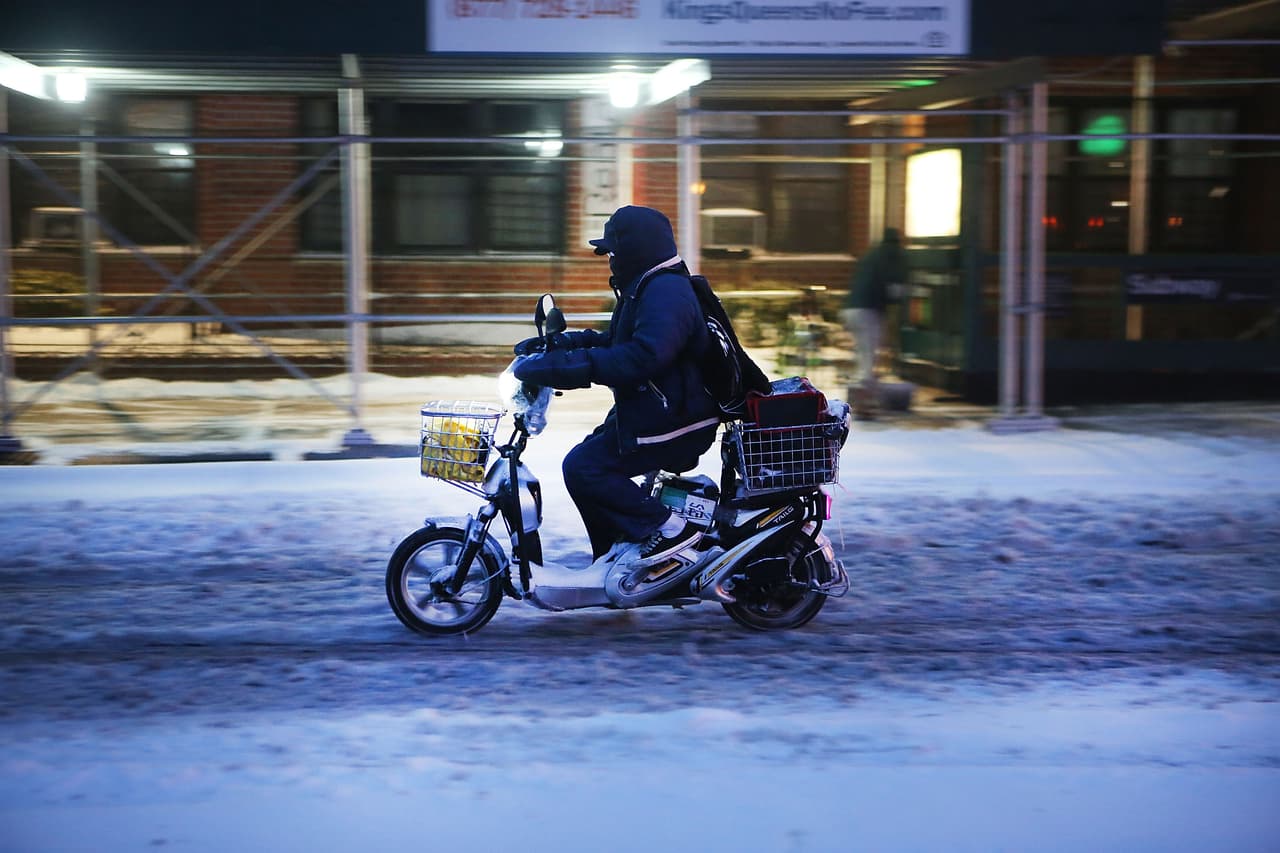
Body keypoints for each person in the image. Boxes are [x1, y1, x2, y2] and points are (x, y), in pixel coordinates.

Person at [513, 205, 720, 568]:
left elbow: (642, 356)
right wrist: (564, 346)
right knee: (583, 465)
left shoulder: (666, 292)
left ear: (636, 249)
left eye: (613, 251)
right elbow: (615, 341)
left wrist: (570, 369)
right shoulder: (647, 287)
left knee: (585, 468)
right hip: (656, 409)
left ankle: (672, 530)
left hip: (678, 419)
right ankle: (617, 557)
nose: (610, 259)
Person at [841, 227, 907, 420]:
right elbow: (894, 288)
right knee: (868, 359)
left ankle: (864, 400)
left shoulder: (872, 255)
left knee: (863, 356)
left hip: (851, 309)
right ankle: (865, 404)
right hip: (868, 311)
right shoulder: (891, 255)